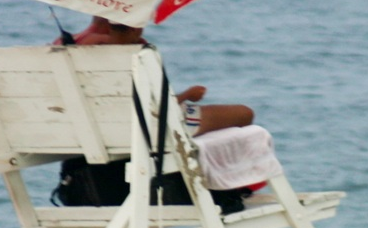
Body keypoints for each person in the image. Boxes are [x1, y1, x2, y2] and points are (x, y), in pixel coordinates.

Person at [56, 16, 256, 137]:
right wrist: (188, 94)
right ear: (136, 27)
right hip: (148, 128)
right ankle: (225, 190)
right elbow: (157, 110)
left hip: (89, 129)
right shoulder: (138, 53)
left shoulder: (65, 47)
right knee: (244, 113)